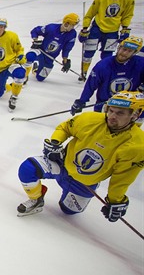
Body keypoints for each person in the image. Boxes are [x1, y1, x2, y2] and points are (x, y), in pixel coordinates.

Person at [16, 90, 144, 220]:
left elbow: (122, 179)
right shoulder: (90, 119)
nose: (112, 116)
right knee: (27, 169)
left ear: (135, 114)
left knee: (68, 211)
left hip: (85, 184)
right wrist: (55, 142)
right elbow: (65, 128)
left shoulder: (138, 146)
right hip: (62, 164)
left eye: (120, 113)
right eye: (110, 110)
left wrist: (116, 201)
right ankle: (36, 199)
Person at [71, 36, 144, 126]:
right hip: (106, 104)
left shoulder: (140, 63)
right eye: (123, 49)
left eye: (129, 51)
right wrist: (82, 100)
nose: (124, 53)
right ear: (119, 47)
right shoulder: (103, 65)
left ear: (135, 53)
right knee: (101, 130)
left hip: (130, 105)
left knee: (135, 123)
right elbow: (91, 85)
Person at [78, 0, 135, 81]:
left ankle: (104, 74)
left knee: (108, 56)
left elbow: (127, 14)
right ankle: (84, 72)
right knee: (88, 52)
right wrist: (85, 28)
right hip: (96, 29)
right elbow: (90, 14)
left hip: (113, 31)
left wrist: (125, 28)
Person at [24, 13, 79, 83]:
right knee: (30, 56)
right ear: (66, 23)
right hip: (40, 51)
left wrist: (65, 60)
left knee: (40, 78)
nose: (73, 27)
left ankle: (36, 68)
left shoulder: (72, 34)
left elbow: (67, 48)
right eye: (72, 25)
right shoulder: (51, 28)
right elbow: (35, 31)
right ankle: (23, 76)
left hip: (50, 58)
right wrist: (35, 40)